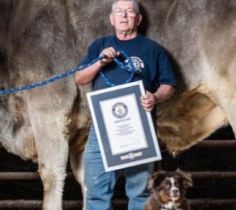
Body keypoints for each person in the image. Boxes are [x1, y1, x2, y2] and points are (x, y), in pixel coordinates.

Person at [74, 0, 176, 209]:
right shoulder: (98, 46)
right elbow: (80, 78)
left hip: (139, 129)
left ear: (138, 19)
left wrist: (155, 97)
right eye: (118, 12)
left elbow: (169, 85)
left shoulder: (153, 50)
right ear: (112, 19)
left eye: (130, 12)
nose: (124, 16)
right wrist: (100, 62)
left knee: (141, 191)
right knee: (95, 190)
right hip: (102, 129)